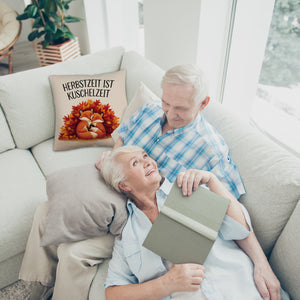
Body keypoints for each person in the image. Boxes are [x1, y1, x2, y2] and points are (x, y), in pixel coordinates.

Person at [19, 64, 280, 299]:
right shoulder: (151, 110)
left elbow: (229, 211)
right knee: (48, 208)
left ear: (203, 104)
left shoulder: (211, 151)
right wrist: (113, 158)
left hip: (143, 211)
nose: (169, 112)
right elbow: (122, 140)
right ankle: (37, 284)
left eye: (180, 108)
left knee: (74, 253)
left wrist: (261, 263)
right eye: (167, 102)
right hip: (120, 185)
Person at [100, 145, 287, 300]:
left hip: (244, 290)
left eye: (145, 156)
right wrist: (166, 283)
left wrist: (212, 180)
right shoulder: (127, 236)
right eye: (135, 163)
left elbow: (240, 229)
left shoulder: (189, 188)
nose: (148, 161)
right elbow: (113, 293)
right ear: (124, 185)